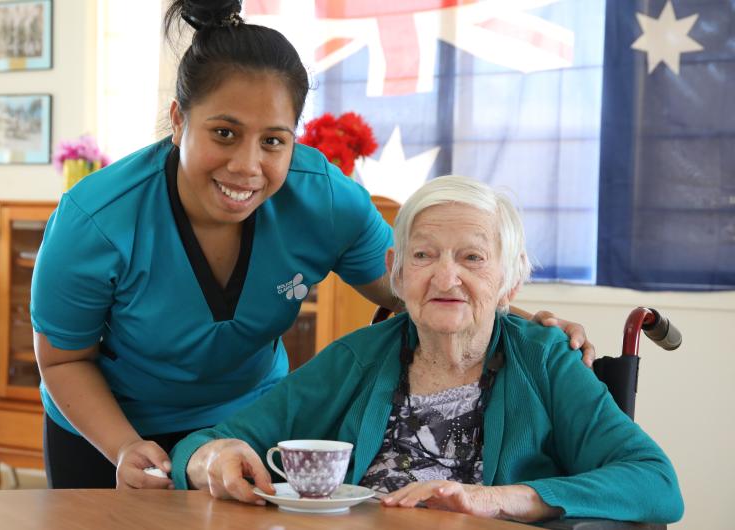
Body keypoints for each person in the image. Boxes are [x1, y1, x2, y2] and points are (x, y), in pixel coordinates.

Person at [31, 0, 593, 490]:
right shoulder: (95, 220)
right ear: (179, 121)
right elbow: (62, 358)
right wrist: (126, 447)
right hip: (108, 428)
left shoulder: (324, 200)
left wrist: (518, 317)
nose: (247, 166)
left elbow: (417, 290)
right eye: (223, 133)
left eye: (273, 141)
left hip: (245, 429)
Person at [171, 176, 684, 524]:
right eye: (423, 255)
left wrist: (495, 500)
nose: (445, 276)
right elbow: (208, 444)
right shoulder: (358, 358)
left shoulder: (545, 360)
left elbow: (655, 481)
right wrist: (209, 456)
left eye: (472, 257)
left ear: (510, 279)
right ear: (396, 270)